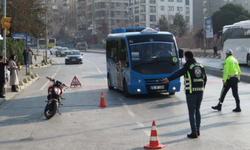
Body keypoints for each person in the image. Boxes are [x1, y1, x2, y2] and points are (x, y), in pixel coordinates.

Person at [163, 51, 207, 139]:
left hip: (191, 93)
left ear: (186, 57)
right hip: (200, 92)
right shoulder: (200, 66)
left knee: (191, 112)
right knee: (197, 110)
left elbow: (179, 73)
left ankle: (194, 132)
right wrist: (202, 88)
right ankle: (198, 130)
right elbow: (205, 79)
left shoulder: (188, 66)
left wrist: (168, 79)